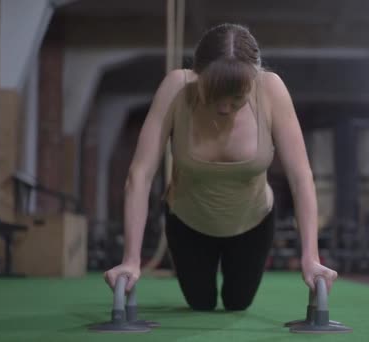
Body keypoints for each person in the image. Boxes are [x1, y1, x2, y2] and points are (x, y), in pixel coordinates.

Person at [103, 23, 337, 311]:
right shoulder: (177, 88)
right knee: (201, 304)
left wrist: (310, 257)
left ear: (254, 80)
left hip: (252, 223)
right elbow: (139, 175)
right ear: (197, 76)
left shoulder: (271, 90)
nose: (225, 108)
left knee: (237, 303)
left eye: (237, 98)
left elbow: (301, 177)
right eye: (214, 96)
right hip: (187, 222)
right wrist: (131, 258)